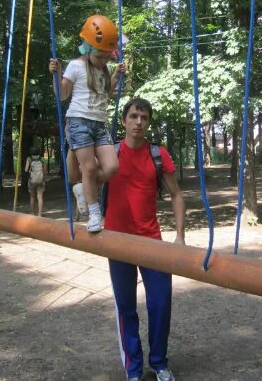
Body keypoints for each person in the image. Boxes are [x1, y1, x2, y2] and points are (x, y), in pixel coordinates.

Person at [104, 98, 186, 381]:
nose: (139, 122)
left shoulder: (158, 154)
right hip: (117, 241)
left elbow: (176, 194)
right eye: (134, 116)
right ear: (125, 120)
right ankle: (134, 369)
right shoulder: (110, 152)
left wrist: (179, 236)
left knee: (161, 304)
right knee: (126, 307)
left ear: (149, 122)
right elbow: (81, 174)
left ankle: (159, 363)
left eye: (145, 117)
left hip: (152, 241)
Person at [48, 14, 126, 233]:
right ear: (88, 48)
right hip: (79, 121)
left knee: (111, 167)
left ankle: (84, 188)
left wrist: (117, 77)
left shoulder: (104, 69)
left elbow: (106, 94)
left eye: (106, 58)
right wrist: (57, 74)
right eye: (100, 57)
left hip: (99, 124)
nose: (104, 61)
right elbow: (62, 95)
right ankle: (94, 213)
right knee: (89, 168)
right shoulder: (75, 66)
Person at [24, 146, 47, 215]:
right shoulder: (42, 159)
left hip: (32, 180)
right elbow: (45, 171)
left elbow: (26, 170)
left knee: (32, 196)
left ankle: (33, 212)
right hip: (40, 180)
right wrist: (45, 178)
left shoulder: (29, 158)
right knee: (40, 197)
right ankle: (40, 213)